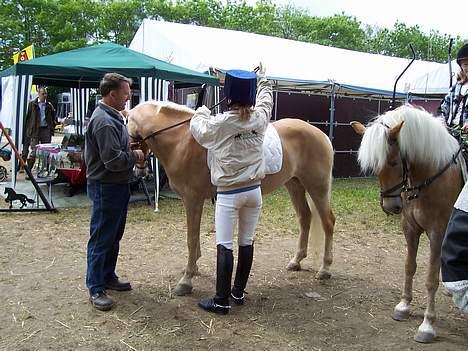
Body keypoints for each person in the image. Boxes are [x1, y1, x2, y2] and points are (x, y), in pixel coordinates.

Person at [190, 63, 273, 314]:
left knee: (224, 244)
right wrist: (262, 79)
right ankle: (237, 292)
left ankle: (221, 300)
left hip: (229, 193)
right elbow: (266, 100)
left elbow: (199, 131)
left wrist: (201, 111)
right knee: (246, 241)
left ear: (228, 98)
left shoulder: (222, 123)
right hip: (254, 192)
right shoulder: (260, 117)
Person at [85, 73, 145, 311]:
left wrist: (127, 149)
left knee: (113, 236)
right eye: (125, 94)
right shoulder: (105, 121)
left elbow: (112, 151)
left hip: (116, 186)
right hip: (106, 186)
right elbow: (111, 160)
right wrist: (135, 156)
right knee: (101, 238)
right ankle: (96, 287)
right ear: (112, 94)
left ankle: (108, 276)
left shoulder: (113, 117)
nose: (128, 98)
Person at [24, 87, 56, 171]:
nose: (45, 95)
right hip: (35, 130)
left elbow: (53, 117)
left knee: (47, 151)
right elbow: (27, 118)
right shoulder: (32, 104)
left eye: (46, 94)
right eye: (43, 94)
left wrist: (52, 126)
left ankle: (46, 170)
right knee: (34, 152)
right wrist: (29, 129)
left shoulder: (49, 105)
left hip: (46, 130)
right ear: (38, 94)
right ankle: (29, 171)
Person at [439, 43, 468, 131]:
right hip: (451, 133)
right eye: (465, 64)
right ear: (461, 66)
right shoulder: (454, 89)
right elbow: (442, 109)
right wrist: (442, 121)